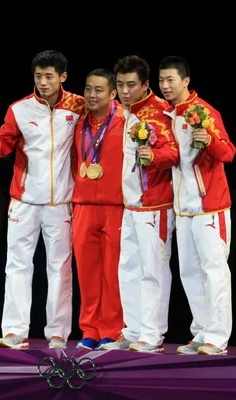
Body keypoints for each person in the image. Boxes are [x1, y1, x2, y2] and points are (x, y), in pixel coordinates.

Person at [0, 50, 85, 350]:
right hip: (25, 201)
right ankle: (14, 332)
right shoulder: (19, 109)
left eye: (49, 77)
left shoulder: (79, 107)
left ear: (63, 77)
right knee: (17, 265)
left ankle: (58, 332)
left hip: (62, 203)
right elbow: (3, 146)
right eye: (38, 76)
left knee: (60, 267)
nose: (43, 82)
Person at [158, 55, 236, 355]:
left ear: (185, 81)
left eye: (171, 80)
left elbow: (228, 152)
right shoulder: (168, 115)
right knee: (189, 272)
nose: (165, 86)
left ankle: (218, 336)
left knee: (214, 271)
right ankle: (202, 332)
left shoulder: (204, 112)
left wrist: (210, 141)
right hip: (183, 209)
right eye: (162, 80)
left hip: (210, 207)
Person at [100, 56, 178, 353]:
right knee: (128, 269)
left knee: (153, 271)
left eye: (131, 85)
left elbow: (172, 153)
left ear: (146, 84)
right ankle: (132, 331)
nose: (124, 91)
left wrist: (153, 158)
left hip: (155, 206)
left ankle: (152, 335)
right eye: (119, 85)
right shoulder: (124, 111)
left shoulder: (159, 112)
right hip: (129, 206)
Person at [71, 69, 126, 350]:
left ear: (113, 93)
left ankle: (113, 330)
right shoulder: (79, 123)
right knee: (87, 274)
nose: (91, 95)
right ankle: (89, 330)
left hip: (115, 207)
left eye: (99, 90)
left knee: (113, 274)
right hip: (83, 207)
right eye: (88, 89)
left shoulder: (126, 122)